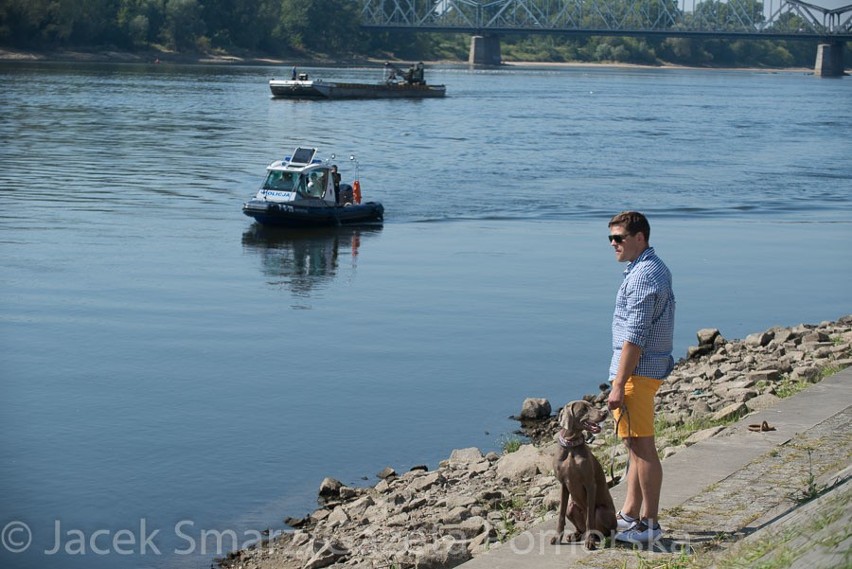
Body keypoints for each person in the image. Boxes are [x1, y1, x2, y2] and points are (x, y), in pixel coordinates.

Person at [605, 211, 675, 545]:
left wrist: (619, 384)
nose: (613, 245)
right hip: (642, 371)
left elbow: (635, 335)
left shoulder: (645, 275)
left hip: (636, 373)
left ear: (640, 238)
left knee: (643, 447)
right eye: (611, 239)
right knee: (635, 444)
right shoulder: (648, 268)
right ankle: (630, 515)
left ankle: (650, 524)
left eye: (619, 238)